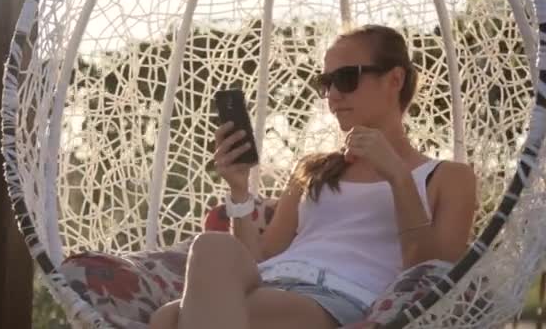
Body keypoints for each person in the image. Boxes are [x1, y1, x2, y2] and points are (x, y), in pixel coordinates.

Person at [148, 24, 477, 329]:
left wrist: (398, 176)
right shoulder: (313, 168)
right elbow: (261, 258)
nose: (332, 95)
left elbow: (435, 276)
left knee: (174, 321)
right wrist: (239, 189)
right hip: (272, 282)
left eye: (347, 79)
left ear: (395, 79)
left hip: (337, 297)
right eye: (326, 83)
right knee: (209, 249)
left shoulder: (448, 176)